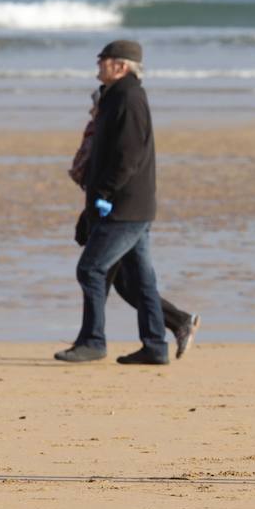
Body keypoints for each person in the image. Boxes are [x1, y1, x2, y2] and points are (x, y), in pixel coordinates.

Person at [55, 39, 172, 365]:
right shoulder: (115, 97)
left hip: (125, 207)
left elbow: (128, 156)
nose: (98, 65)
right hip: (130, 205)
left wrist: (104, 194)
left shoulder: (129, 98)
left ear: (120, 66)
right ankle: (155, 346)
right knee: (141, 279)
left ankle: (93, 341)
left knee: (91, 269)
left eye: (103, 60)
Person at [69, 87, 200, 360]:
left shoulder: (107, 131)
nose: (91, 111)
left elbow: (116, 171)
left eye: (95, 106)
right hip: (118, 213)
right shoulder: (98, 131)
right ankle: (163, 335)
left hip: (120, 215)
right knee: (131, 282)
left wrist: (98, 206)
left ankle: (92, 342)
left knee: (96, 272)